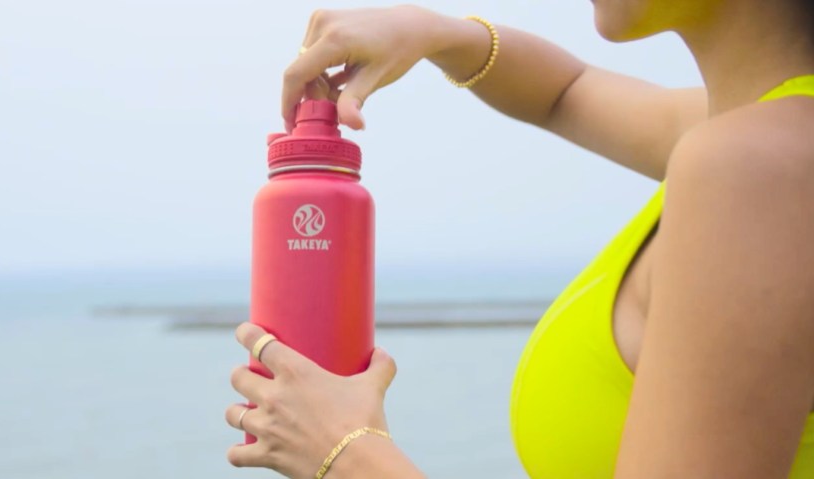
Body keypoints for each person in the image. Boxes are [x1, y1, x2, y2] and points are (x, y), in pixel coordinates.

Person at [225, 2, 814, 477]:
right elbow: (566, 91)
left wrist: (347, 452)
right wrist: (436, 32)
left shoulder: (758, 171)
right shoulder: (756, 133)